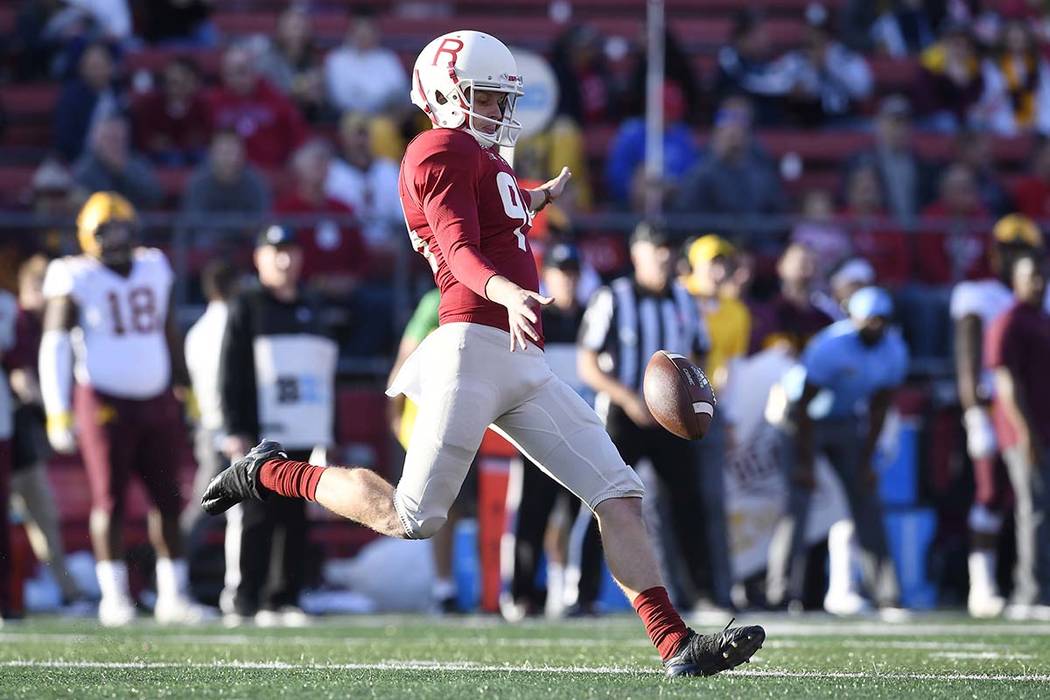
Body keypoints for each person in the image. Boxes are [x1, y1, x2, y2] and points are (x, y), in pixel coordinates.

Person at [202, 30, 764, 678]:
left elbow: (491, 217)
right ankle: (269, 472)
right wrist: (507, 290)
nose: (500, 111)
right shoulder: (435, 148)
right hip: (470, 344)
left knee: (619, 492)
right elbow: (458, 242)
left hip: (524, 360)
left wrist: (531, 200)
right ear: (447, 95)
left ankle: (675, 645)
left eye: (502, 98)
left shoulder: (482, 158)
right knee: (411, 516)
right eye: (489, 97)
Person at [38, 191, 206, 626]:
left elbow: (169, 332)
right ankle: (114, 598)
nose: (114, 238)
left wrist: (186, 388)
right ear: (87, 236)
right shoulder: (73, 275)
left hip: (155, 396)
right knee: (109, 501)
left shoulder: (154, 266)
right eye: (105, 230)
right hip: (102, 399)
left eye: (121, 228)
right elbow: (54, 345)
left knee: (169, 498)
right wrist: (58, 410)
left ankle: (173, 594)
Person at [576, 222, 717, 613]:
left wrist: (690, 398)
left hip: (673, 420)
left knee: (689, 503)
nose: (664, 255)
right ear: (636, 253)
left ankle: (702, 593)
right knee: (605, 502)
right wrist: (629, 398)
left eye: (669, 247)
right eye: (656, 247)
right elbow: (587, 363)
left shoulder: (686, 300)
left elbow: (700, 353)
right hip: (624, 414)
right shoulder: (612, 297)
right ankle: (582, 594)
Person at [217, 224, 338, 627]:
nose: (284, 261)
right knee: (255, 513)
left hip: (301, 428)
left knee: (295, 513)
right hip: (259, 431)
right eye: (275, 252)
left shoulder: (310, 305)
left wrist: (325, 432)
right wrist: (236, 427)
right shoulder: (247, 305)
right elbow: (231, 371)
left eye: (290, 251)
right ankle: (244, 597)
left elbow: (320, 371)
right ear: (259, 258)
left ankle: (284, 596)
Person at [765, 286, 906, 615]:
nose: (875, 327)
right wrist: (804, 462)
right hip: (799, 418)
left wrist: (867, 461)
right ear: (854, 318)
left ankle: (887, 592)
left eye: (881, 320)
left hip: (842, 419)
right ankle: (780, 593)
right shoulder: (831, 346)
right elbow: (803, 406)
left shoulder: (894, 350)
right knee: (797, 501)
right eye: (869, 320)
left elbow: (879, 408)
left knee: (866, 499)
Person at [952, 213, 1048, 618]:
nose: (1016, 259)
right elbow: (970, 357)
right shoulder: (981, 295)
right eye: (1011, 250)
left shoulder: (1036, 299)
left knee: (1022, 500)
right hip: (996, 408)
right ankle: (983, 584)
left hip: (1033, 410)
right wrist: (974, 411)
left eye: (1024, 251)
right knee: (990, 496)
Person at [501, 242, 591, 620]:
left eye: (573, 273)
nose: (567, 281)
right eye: (561, 272)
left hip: (583, 428)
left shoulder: (591, 317)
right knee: (532, 514)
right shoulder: (536, 317)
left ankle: (578, 593)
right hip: (539, 426)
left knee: (582, 514)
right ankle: (522, 594)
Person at [8, 256, 82, 608]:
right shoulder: (17, 320)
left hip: (21, 436)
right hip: (14, 433)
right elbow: (22, 380)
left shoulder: (42, 324)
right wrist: (53, 413)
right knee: (41, 515)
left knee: (44, 518)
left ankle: (66, 591)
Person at [986, 251, 1050, 620]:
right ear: (1015, 281)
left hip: (1044, 430)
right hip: (1026, 433)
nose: (1039, 284)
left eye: (1042, 276)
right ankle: (1030, 591)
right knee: (1033, 510)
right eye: (1032, 277)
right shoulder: (1009, 321)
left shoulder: (1040, 319)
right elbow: (1006, 383)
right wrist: (1026, 434)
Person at [181, 260, 239, 539]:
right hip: (232, 426)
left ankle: (170, 564)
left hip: (206, 424)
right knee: (218, 506)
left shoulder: (196, 331)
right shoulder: (236, 326)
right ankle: (165, 564)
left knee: (205, 504)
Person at [206, 43, 308, 168]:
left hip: (270, 175)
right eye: (229, 73)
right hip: (226, 178)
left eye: (241, 71)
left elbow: (299, 140)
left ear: (254, 69)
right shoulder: (212, 102)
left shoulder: (275, 99)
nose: (235, 78)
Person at [325, 111, 403, 250]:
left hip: (389, 245)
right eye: (355, 135)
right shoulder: (333, 172)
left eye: (364, 134)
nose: (360, 141)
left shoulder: (388, 169)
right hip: (349, 247)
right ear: (343, 138)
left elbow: (400, 214)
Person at [131, 56, 211, 166]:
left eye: (183, 81)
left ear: (195, 83)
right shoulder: (150, 105)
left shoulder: (202, 107)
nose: (177, 88)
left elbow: (205, 138)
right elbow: (142, 138)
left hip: (193, 159)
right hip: (155, 160)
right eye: (173, 82)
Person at [72, 115, 164, 210]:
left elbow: (155, 197)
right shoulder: (85, 169)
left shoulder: (136, 164)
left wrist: (123, 172)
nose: (116, 144)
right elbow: (80, 202)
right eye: (110, 139)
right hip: (98, 222)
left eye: (120, 139)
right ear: (97, 141)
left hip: (136, 221)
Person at [324, 14, 408, 116]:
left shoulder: (387, 58)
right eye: (359, 30)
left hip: (386, 116)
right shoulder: (337, 59)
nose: (363, 35)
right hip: (348, 117)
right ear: (350, 32)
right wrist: (377, 99)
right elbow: (340, 98)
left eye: (368, 30)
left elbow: (399, 90)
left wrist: (365, 96)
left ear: (376, 33)